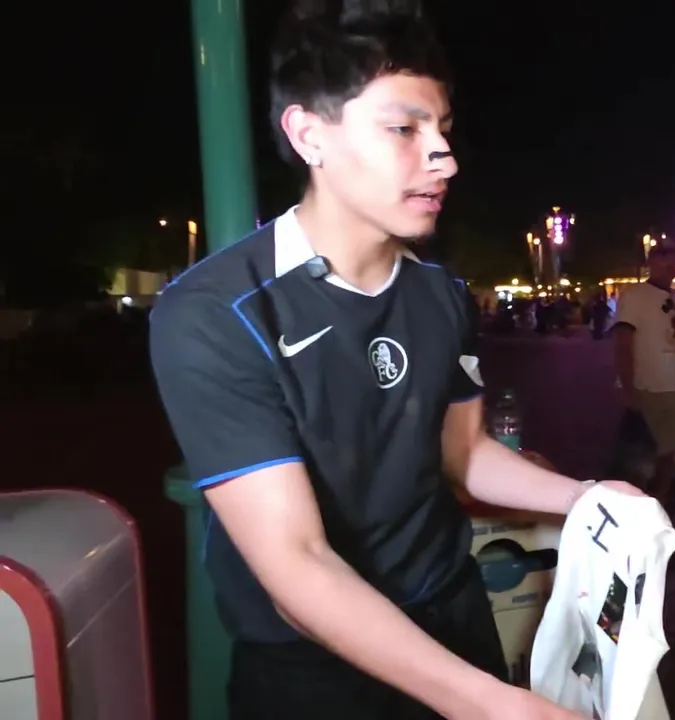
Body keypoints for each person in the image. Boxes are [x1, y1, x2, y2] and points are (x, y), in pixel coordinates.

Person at [148, 5, 638, 718]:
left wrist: (589, 498)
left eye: (442, 129)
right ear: (309, 134)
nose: (444, 157)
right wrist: (489, 704)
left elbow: (463, 455)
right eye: (405, 129)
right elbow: (296, 562)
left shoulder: (442, 294)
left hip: (453, 614)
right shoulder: (215, 312)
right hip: (314, 664)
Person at [612, 246, 675, 497]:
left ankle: (660, 500)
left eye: (673, 263)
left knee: (669, 449)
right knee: (642, 455)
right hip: (648, 386)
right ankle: (638, 502)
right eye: (663, 262)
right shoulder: (634, 295)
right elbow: (623, 342)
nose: (670, 268)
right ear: (651, 264)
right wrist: (628, 387)